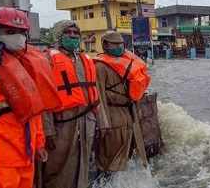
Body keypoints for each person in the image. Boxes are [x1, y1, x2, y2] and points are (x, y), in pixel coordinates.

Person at [0, 7, 59, 188]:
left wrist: (39, 144)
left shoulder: (26, 65)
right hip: (0, 157)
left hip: (26, 154)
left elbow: (33, 111)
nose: (17, 37)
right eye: (9, 32)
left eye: (21, 32)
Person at [42, 20, 107, 188]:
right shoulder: (47, 60)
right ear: (59, 35)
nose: (72, 36)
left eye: (75, 33)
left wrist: (102, 122)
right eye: (68, 33)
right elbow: (43, 98)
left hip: (87, 121)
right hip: (62, 123)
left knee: (84, 161)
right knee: (58, 165)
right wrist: (48, 131)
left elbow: (95, 93)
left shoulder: (85, 59)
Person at [94, 31, 151, 173]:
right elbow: (99, 96)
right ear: (105, 45)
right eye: (115, 44)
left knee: (131, 154)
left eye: (121, 44)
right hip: (112, 116)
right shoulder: (100, 66)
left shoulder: (128, 63)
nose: (119, 47)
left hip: (129, 114)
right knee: (111, 158)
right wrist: (103, 123)